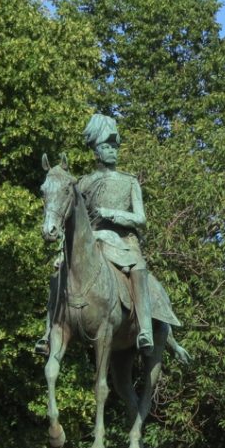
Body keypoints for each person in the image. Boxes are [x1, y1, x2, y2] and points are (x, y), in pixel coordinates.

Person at [78, 113, 155, 352]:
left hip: (123, 242)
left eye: (115, 147)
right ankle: (50, 330)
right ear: (96, 151)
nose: (113, 151)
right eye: (107, 147)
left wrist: (111, 213)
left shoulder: (129, 181)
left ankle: (146, 330)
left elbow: (141, 219)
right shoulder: (83, 183)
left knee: (139, 269)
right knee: (61, 269)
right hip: (93, 242)